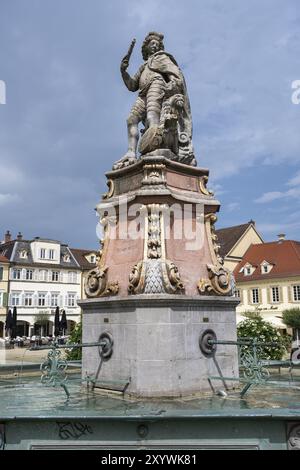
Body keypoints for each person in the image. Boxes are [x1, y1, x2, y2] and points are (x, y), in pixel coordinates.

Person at [114, 32, 195, 169]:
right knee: (131, 120)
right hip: (142, 93)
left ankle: (155, 147)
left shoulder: (162, 58)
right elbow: (132, 85)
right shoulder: (144, 66)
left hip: (156, 85)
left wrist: (172, 85)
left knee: (152, 118)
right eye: (152, 44)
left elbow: (176, 76)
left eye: (157, 44)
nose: (155, 46)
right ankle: (131, 153)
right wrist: (123, 71)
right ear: (146, 48)